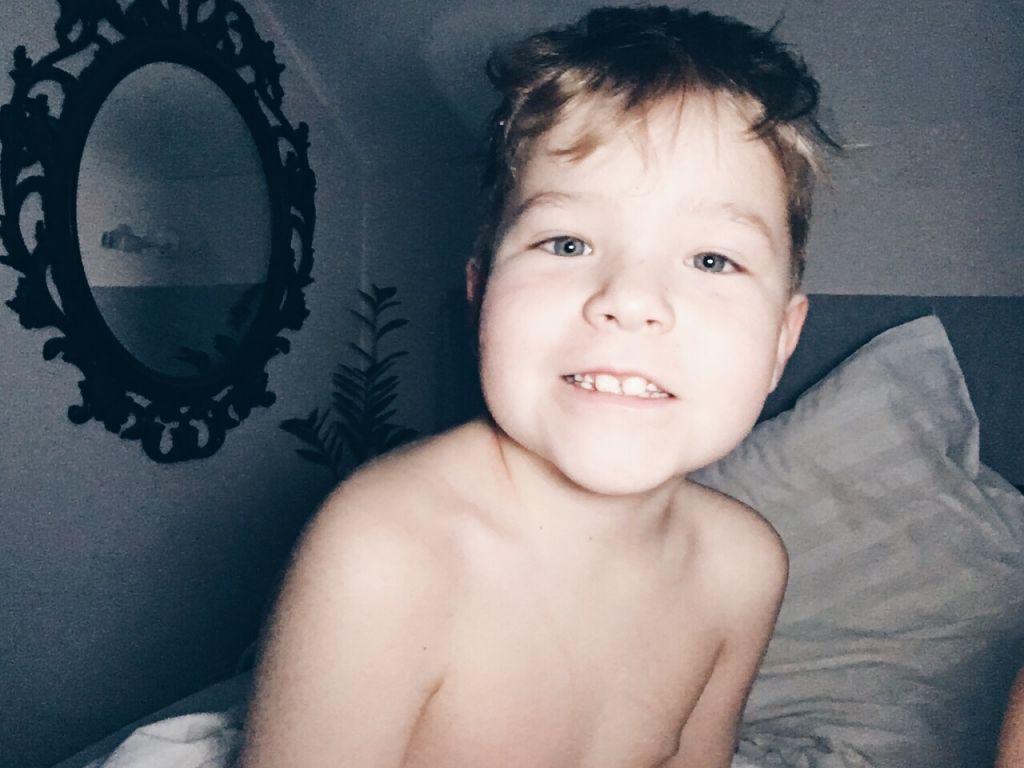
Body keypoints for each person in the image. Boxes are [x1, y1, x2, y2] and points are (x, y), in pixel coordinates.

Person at [240, 6, 837, 766]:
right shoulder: (388, 551)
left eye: (713, 260)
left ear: (782, 340)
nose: (630, 298)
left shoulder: (742, 569)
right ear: (480, 298)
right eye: (568, 243)